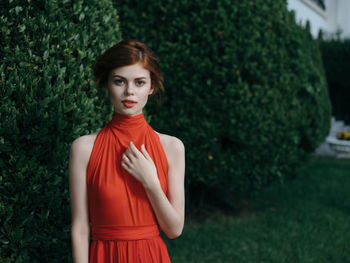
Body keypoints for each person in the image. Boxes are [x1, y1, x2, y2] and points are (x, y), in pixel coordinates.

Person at [69, 40, 185, 263]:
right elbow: (80, 228)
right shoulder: (83, 148)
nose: (129, 91)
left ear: (151, 87)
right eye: (120, 81)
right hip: (105, 256)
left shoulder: (172, 147)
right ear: (107, 85)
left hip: (151, 256)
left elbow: (174, 229)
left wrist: (150, 182)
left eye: (139, 82)